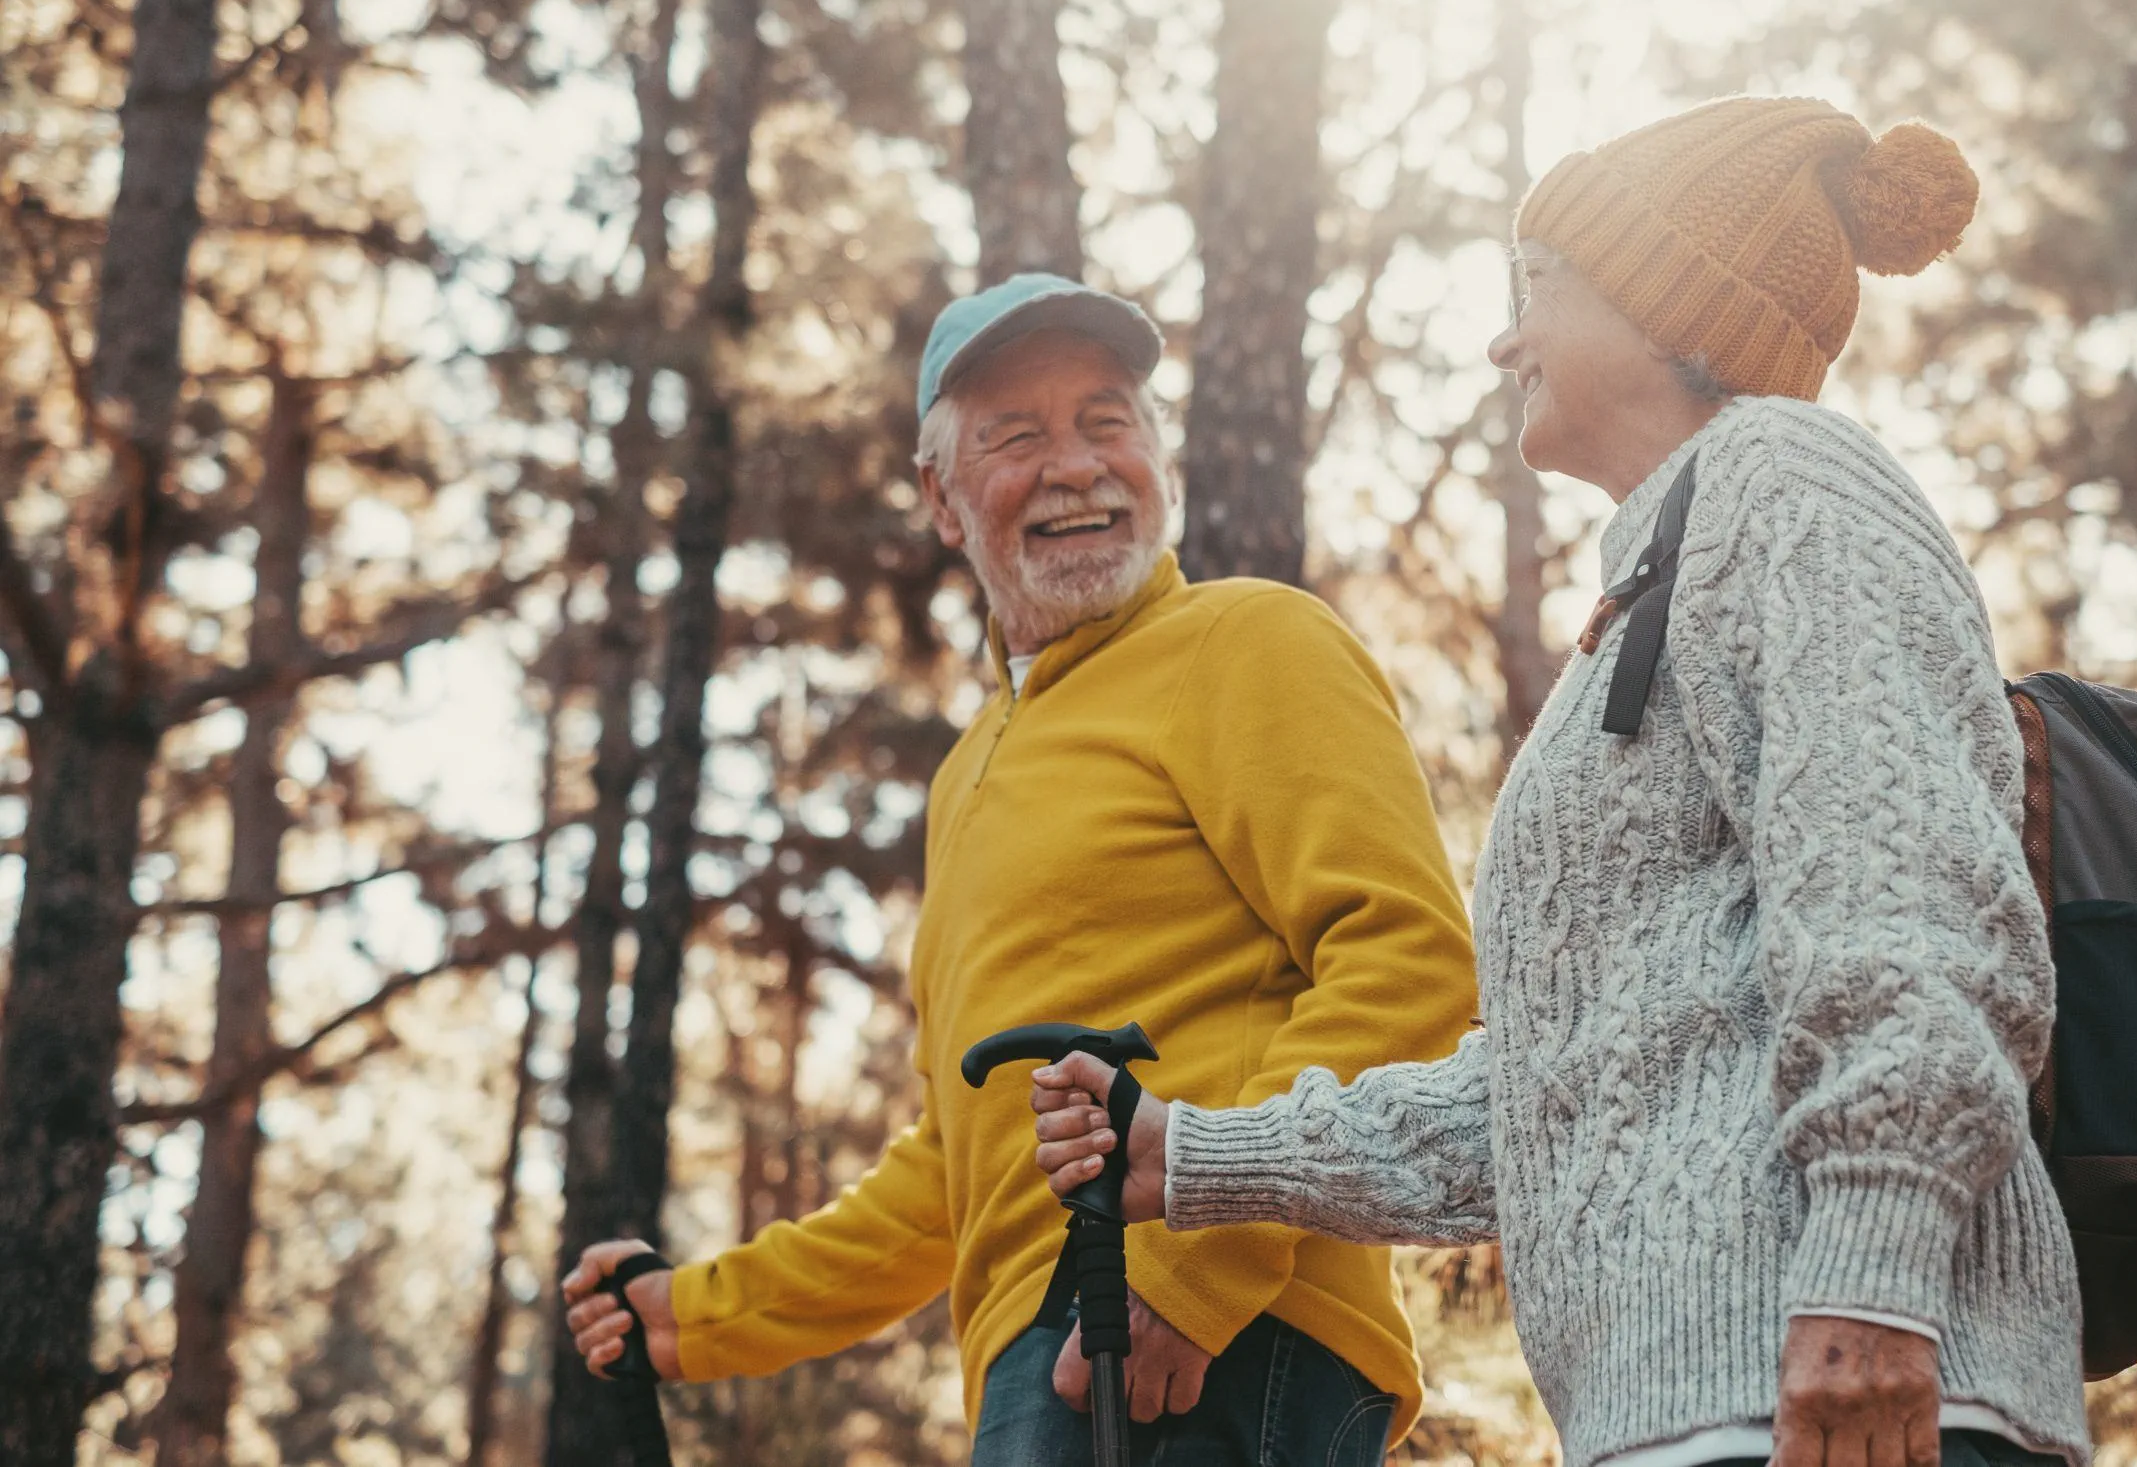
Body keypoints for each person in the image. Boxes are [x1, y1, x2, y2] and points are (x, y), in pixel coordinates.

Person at [1029, 99, 2091, 1467]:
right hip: (1692, 1413)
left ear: (1665, 304)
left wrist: (1873, 1275)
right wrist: (1201, 1154)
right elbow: (1555, 1095)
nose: (1505, 337)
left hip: (1856, 1391)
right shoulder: (1645, 593)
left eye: (1541, 287)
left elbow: (1910, 895)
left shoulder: (1791, 479)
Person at [559, 272, 1478, 1465]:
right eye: (1017, 437)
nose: (1078, 465)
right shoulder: (968, 775)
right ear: (941, 499)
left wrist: (1192, 1273)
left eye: (1109, 422)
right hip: (1038, 1358)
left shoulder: (1246, 640)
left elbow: (1410, 963)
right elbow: (959, 1154)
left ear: (1159, 454)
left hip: (1222, 1335)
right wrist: (700, 1314)